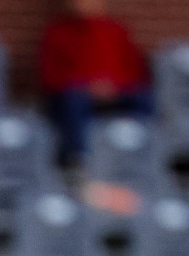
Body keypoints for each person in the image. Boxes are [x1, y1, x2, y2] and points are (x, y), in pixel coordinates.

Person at [39, 0, 153, 168]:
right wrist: (86, 86)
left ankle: (142, 154)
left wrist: (114, 86)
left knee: (144, 99)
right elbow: (49, 76)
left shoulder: (116, 31)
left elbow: (136, 71)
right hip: (78, 94)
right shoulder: (57, 33)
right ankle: (80, 161)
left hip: (116, 92)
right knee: (73, 102)